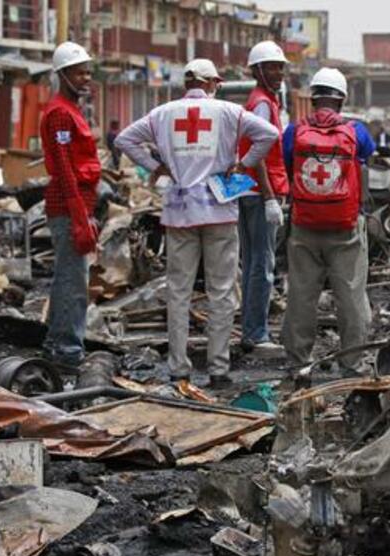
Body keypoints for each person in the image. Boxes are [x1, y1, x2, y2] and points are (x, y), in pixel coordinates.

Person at [115, 59, 279, 387]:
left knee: (178, 291)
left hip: (179, 212)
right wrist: (243, 164)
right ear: (211, 83)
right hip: (219, 211)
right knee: (221, 291)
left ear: (186, 83)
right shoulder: (228, 112)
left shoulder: (162, 114)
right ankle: (218, 369)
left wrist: (156, 166)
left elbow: (123, 140)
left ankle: (179, 368)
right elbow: (269, 134)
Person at [281, 67, 375, 384]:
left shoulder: (294, 131)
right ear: (341, 99)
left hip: (304, 225)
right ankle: (353, 364)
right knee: (351, 296)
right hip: (345, 228)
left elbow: (287, 164)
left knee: (301, 295)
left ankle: (298, 363)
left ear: (313, 97)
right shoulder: (357, 131)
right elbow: (367, 155)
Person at [39, 41, 101, 372]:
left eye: (88, 72)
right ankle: (66, 350)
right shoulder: (61, 113)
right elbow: (64, 169)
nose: (85, 78)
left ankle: (58, 343)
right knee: (73, 282)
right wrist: (79, 217)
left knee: (69, 277)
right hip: (68, 206)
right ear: (62, 75)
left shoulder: (71, 110)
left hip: (75, 206)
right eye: (79, 73)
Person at [237, 40, 289, 354]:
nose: (279, 73)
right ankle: (256, 334)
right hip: (259, 192)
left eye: (281, 67)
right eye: (272, 67)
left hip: (250, 189)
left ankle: (251, 330)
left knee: (254, 262)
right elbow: (259, 152)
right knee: (262, 264)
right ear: (257, 71)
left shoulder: (263, 101)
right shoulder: (262, 104)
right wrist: (270, 197)